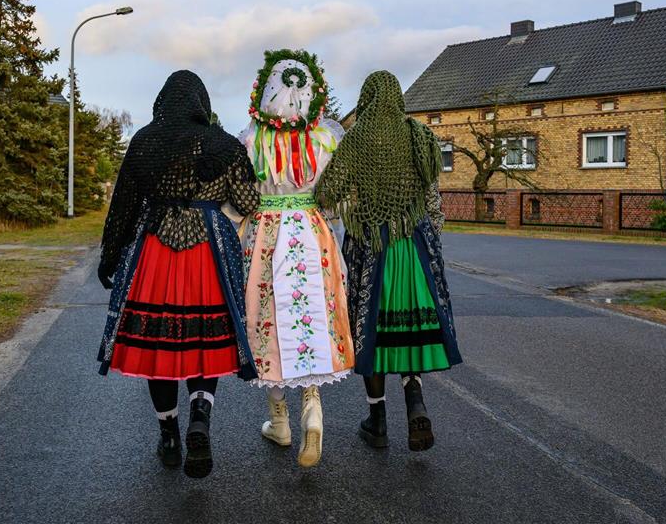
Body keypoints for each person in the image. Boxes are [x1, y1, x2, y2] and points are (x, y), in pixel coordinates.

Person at [96, 70, 260, 479]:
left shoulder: (144, 142)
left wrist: (111, 255)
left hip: (156, 252)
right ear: (201, 103)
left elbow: (125, 206)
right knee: (205, 341)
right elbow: (248, 201)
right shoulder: (223, 145)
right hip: (207, 253)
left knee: (160, 351)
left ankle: (169, 435)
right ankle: (200, 418)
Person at [316, 70, 462, 452]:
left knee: (373, 332)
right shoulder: (419, 136)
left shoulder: (357, 140)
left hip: (371, 246)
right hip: (413, 245)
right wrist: (432, 240)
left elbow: (327, 195)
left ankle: (377, 420)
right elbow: (433, 200)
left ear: (366, 97)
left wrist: (356, 202)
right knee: (410, 329)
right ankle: (415, 403)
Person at [238, 49, 355, 468]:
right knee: (311, 316)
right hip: (310, 230)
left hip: (266, 232)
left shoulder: (252, 140)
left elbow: (243, 195)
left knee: (268, 316)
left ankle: (280, 420)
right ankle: (313, 407)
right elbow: (337, 195)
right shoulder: (326, 139)